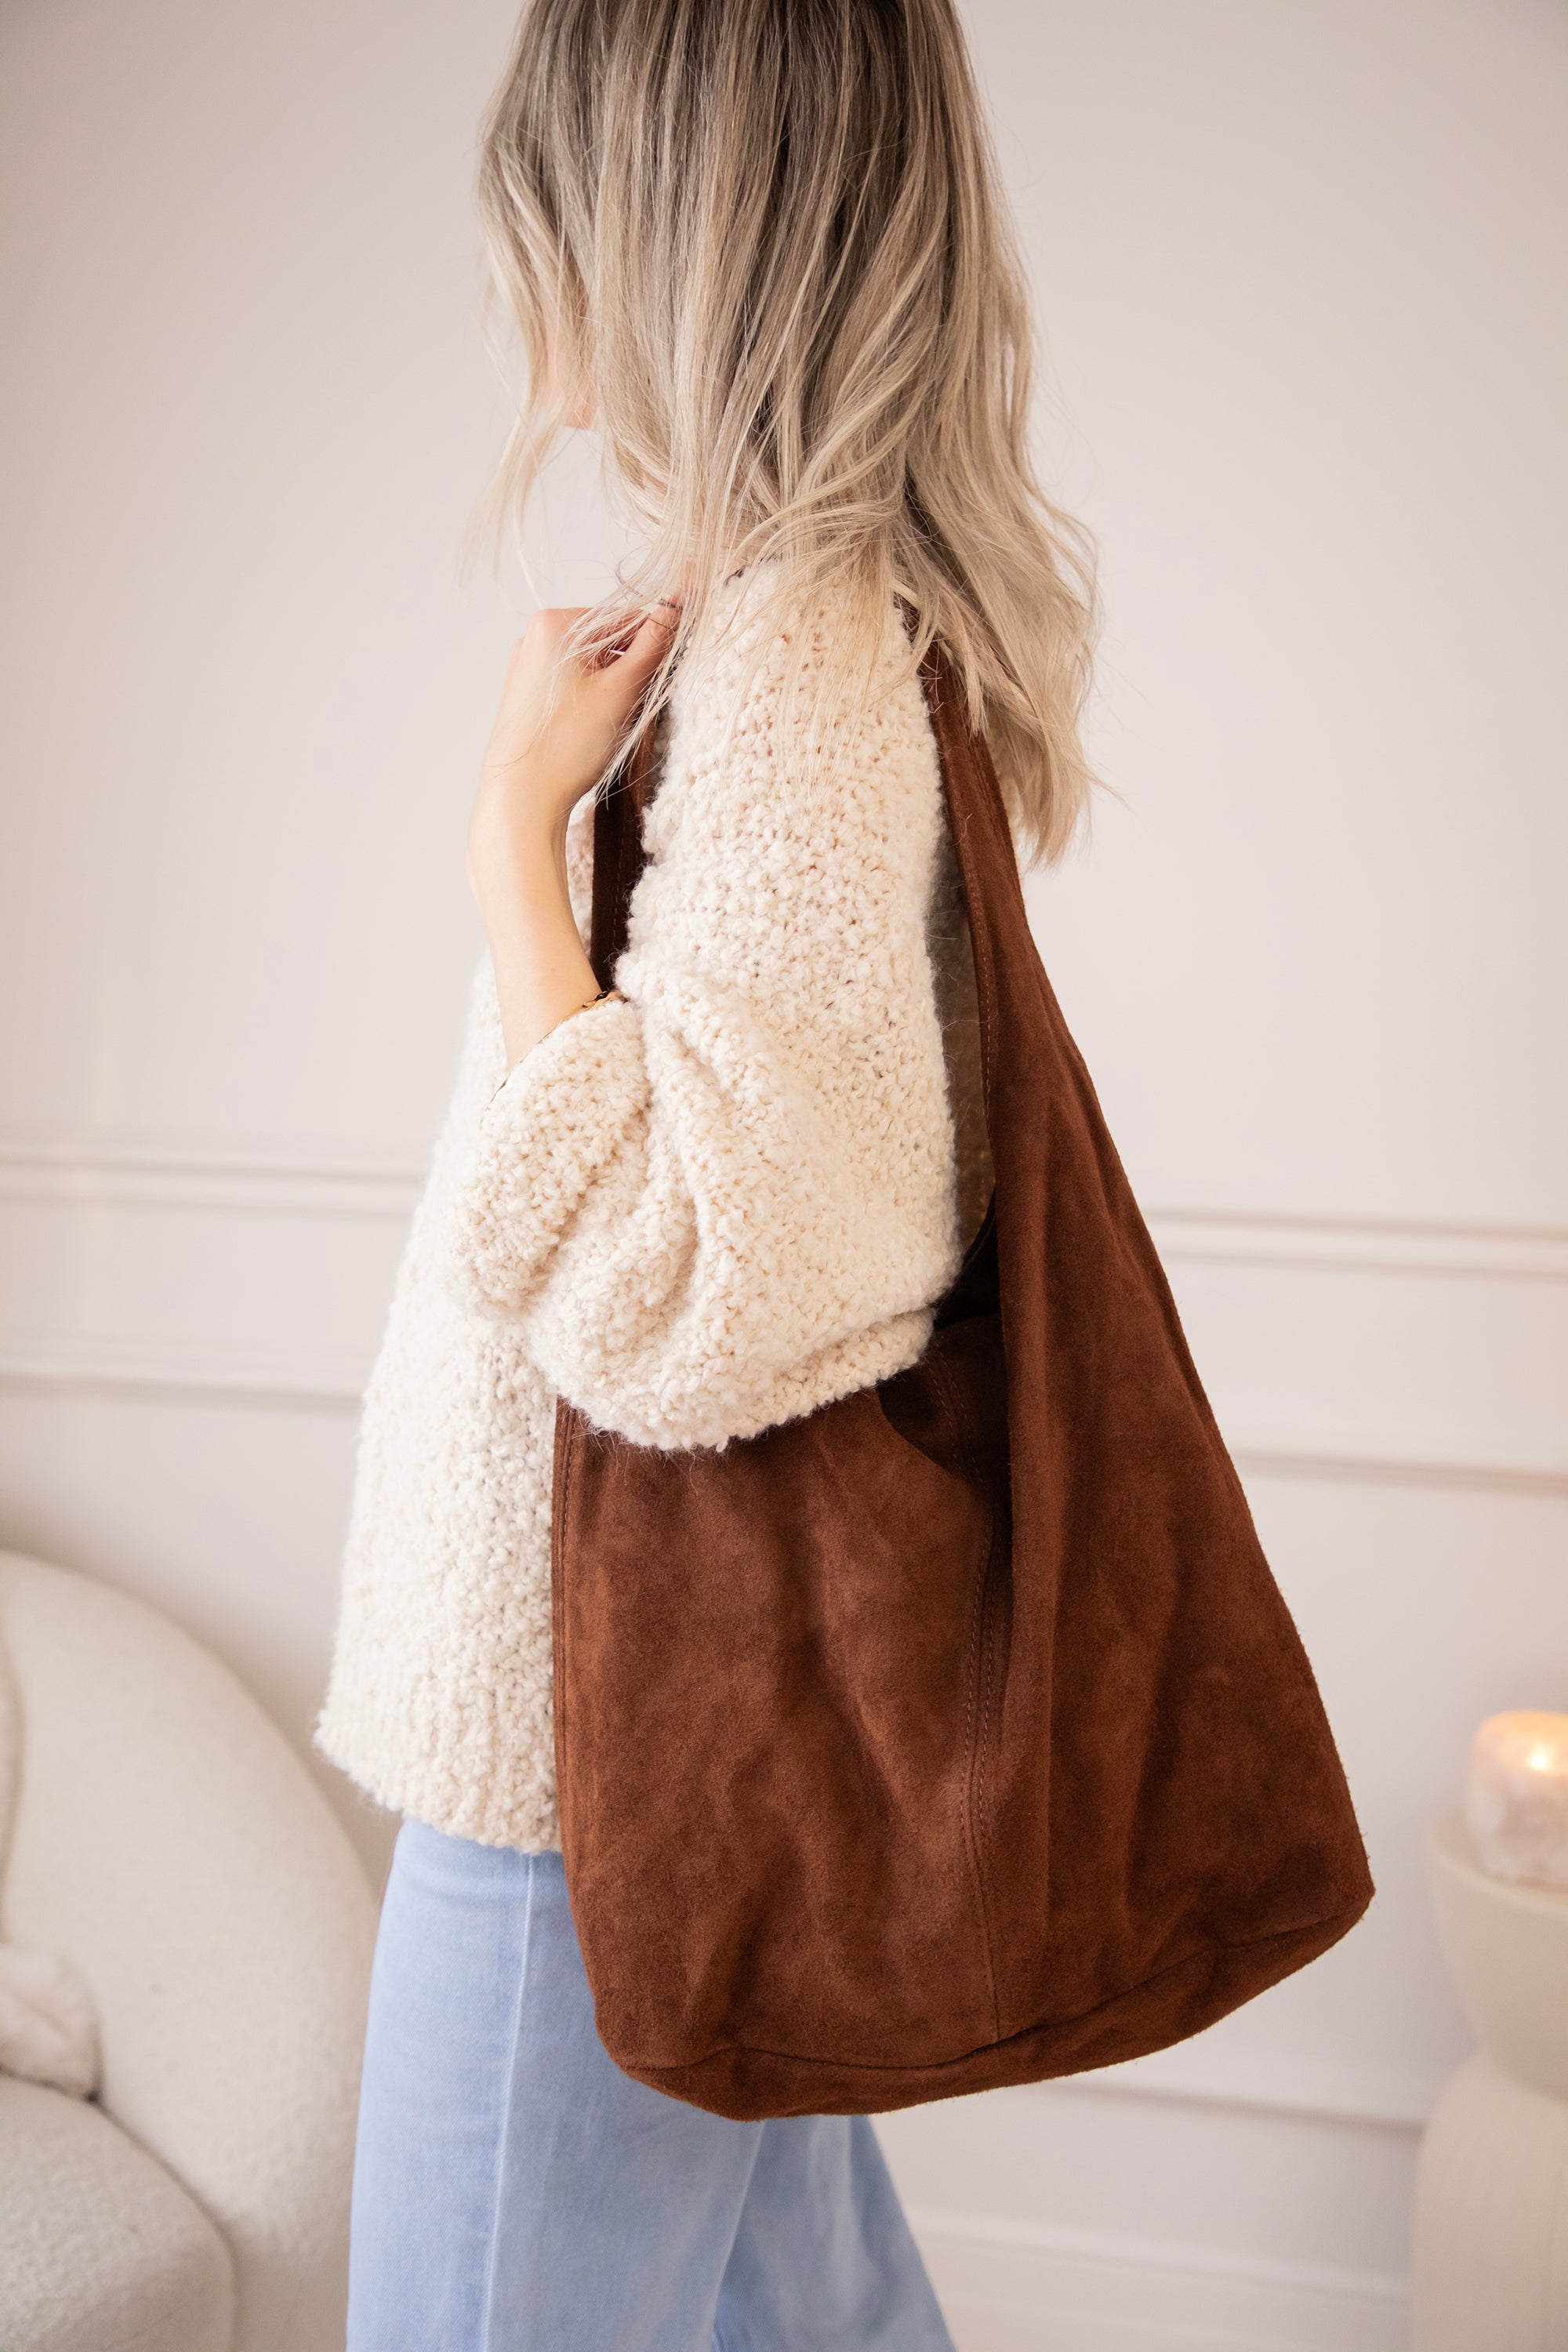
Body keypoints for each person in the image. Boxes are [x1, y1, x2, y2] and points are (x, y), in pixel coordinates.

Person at [318, 0, 1096, 2343]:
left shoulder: (793, 659)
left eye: (552, 213)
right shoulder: (813, 629)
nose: (522, 281)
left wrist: (508, 843)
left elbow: (683, 1291)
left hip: (587, 1776)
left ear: (666, 229)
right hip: (667, 1742)